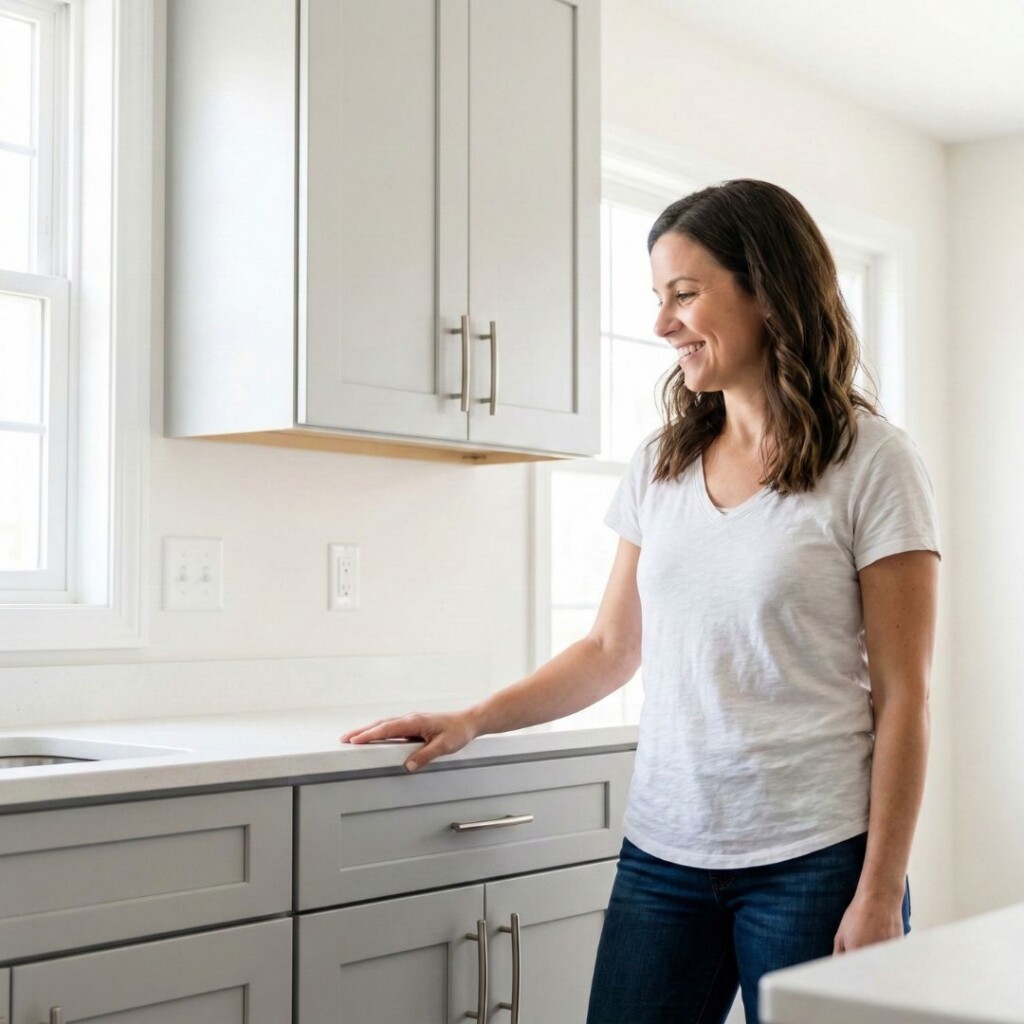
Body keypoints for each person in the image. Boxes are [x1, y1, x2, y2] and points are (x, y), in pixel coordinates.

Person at [341, 179, 939, 1024]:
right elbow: (610, 650)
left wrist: (879, 891)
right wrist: (472, 718)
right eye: (659, 299)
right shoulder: (661, 464)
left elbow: (905, 697)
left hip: (816, 859)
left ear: (768, 289)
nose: (664, 325)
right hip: (665, 853)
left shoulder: (874, 463)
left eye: (685, 295)